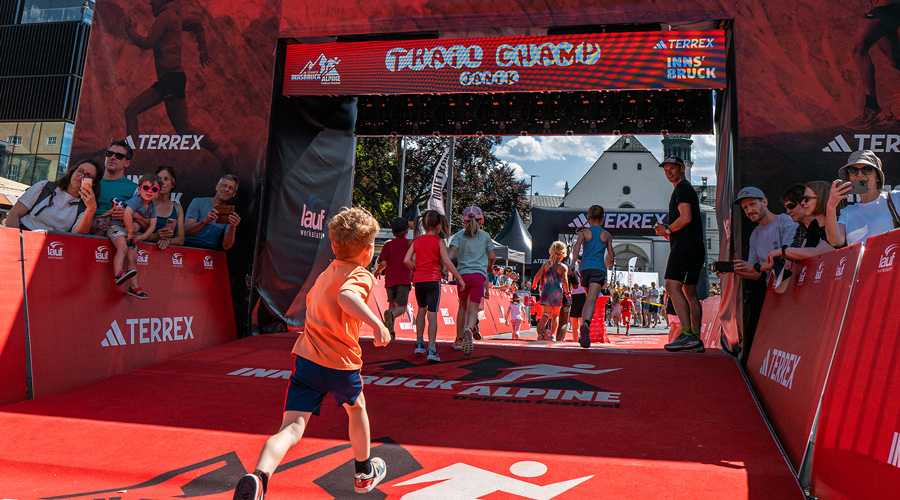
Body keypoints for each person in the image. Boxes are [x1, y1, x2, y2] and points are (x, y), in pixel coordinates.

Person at [232, 207, 390, 500]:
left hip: (306, 362)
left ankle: (259, 476)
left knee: (291, 428)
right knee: (357, 410)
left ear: (333, 245)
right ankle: (364, 470)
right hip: (341, 364)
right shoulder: (360, 275)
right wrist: (377, 325)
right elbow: (347, 296)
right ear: (369, 252)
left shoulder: (325, 274)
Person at [122, 0, 232, 173]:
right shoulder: (174, 16)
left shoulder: (166, 16)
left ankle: (128, 156)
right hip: (173, 79)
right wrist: (202, 48)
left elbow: (147, 43)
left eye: (153, 1)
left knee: (132, 112)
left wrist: (130, 30)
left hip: (170, 79)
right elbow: (197, 25)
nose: (150, 3)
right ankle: (221, 153)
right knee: (184, 129)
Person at [654, 156, 706, 353]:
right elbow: (686, 223)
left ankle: (686, 334)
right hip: (693, 246)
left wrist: (667, 230)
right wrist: (668, 231)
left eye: (672, 169)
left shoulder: (682, 189)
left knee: (671, 286)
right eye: (666, 170)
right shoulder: (685, 188)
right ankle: (695, 338)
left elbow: (685, 218)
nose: (668, 173)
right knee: (689, 292)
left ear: (682, 168)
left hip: (684, 248)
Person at [403, 210, 464, 363]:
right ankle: (432, 349)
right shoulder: (439, 242)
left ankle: (418, 343)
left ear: (423, 224)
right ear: (438, 227)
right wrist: (459, 278)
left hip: (419, 281)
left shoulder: (417, 241)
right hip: (433, 281)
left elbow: (406, 260)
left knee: (421, 311)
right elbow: (447, 262)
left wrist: (415, 269)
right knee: (433, 314)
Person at [825, 149, 900, 248]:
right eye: (853, 171)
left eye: (867, 169)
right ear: (849, 178)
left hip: (888, 261)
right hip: (860, 263)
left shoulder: (895, 198)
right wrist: (830, 206)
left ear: (877, 177)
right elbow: (836, 241)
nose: (860, 175)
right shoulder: (847, 212)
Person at [4, 159, 101, 234]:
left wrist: (91, 209)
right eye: (80, 171)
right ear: (72, 172)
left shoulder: (84, 207)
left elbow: (77, 233)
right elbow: (13, 214)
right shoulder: (44, 187)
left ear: (93, 184)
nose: (81, 176)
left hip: (52, 249)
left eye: (88, 175)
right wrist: (16, 242)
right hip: (24, 235)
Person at [448, 206, 495, 356]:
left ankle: (458, 339)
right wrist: (488, 267)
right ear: (482, 220)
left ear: (464, 220)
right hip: (478, 276)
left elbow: (452, 253)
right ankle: (469, 328)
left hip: (462, 276)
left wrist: (445, 267)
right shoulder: (485, 236)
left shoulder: (459, 236)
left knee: (462, 307)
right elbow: (492, 256)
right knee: (473, 309)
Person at [847, 0, 900, 129]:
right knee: (896, 61)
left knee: (858, 48)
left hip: (886, 9)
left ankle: (871, 107)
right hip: (886, 9)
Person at [110, 173, 162, 300]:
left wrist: (143, 237)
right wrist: (130, 232)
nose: (150, 191)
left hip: (131, 233)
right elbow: (127, 214)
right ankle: (118, 275)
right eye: (146, 188)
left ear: (158, 193)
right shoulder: (136, 200)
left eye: (154, 189)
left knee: (133, 259)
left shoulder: (152, 206)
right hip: (117, 228)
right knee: (122, 248)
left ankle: (134, 288)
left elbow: (152, 225)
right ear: (139, 189)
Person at [569, 205, 615, 348]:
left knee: (587, 299)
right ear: (602, 218)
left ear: (589, 218)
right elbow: (612, 259)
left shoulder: (583, 233)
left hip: (584, 269)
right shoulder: (606, 235)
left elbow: (576, 248)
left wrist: (572, 265)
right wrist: (603, 267)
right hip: (598, 269)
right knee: (591, 300)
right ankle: (586, 325)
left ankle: (584, 330)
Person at [768, 181, 837, 264]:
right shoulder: (813, 225)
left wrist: (783, 251)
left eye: (807, 199)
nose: (803, 203)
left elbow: (820, 252)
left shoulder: (837, 223)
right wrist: (785, 256)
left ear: (821, 198)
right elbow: (804, 256)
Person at [373, 217, 412, 340]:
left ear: (393, 232)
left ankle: (390, 332)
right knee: (401, 308)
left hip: (390, 280)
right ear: (407, 231)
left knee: (391, 305)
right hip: (404, 279)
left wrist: (378, 271)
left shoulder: (388, 245)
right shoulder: (410, 245)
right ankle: (391, 316)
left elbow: (383, 263)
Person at [92, 140, 138, 235]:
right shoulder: (91, 182)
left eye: (119, 156)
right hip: (82, 235)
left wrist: (128, 214)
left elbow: (145, 221)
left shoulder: (135, 189)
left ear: (127, 163)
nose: (112, 158)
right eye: (110, 154)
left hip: (115, 240)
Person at [184, 174, 241, 250]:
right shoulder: (197, 202)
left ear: (234, 193)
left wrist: (233, 227)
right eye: (224, 185)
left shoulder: (230, 213)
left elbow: (226, 246)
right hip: (189, 246)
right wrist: (205, 222)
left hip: (210, 252)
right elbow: (186, 231)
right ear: (217, 187)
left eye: (230, 188)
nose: (226, 189)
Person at [138, 166, 185, 250]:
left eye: (166, 179)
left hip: (165, 258)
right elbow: (130, 233)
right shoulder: (144, 203)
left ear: (172, 184)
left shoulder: (177, 208)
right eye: (159, 179)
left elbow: (180, 239)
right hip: (141, 254)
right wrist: (154, 237)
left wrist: (168, 241)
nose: (162, 182)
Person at [533, 241, 570, 341]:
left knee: (546, 313)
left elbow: (537, 276)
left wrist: (534, 284)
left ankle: (541, 331)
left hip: (546, 291)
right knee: (555, 315)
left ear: (551, 252)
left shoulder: (546, 265)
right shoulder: (563, 267)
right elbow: (565, 281)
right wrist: (567, 293)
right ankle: (552, 334)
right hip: (557, 292)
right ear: (562, 255)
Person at [782, 183, 812, 248]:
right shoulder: (800, 229)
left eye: (791, 206)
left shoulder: (823, 224)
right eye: (786, 207)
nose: (788, 212)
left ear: (804, 202)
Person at [568, 259, 586, 342]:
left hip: (574, 296)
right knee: (582, 320)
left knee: (574, 321)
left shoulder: (573, 272)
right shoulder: (586, 273)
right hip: (584, 296)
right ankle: (583, 338)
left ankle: (575, 340)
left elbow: (571, 286)